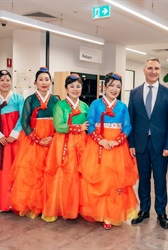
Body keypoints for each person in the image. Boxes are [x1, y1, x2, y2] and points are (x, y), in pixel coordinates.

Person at [79, 72, 138, 230]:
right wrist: (102, 141)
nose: (115, 89)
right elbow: (90, 125)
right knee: (99, 180)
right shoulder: (96, 104)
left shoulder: (122, 106)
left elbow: (127, 127)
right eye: (111, 85)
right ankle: (99, 212)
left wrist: (116, 141)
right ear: (104, 87)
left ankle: (111, 214)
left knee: (115, 182)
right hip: (98, 146)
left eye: (118, 87)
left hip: (117, 148)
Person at [128, 58, 168, 229]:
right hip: (141, 144)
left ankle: (161, 212)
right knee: (143, 180)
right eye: (150, 68)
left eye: (156, 68)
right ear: (144, 70)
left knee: (160, 179)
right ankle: (144, 210)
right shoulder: (134, 93)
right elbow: (131, 120)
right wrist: (131, 143)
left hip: (160, 145)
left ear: (160, 71)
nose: (153, 71)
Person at [10, 67, 59, 218]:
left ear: (51, 82)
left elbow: (60, 122)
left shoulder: (56, 100)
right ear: (35, 82)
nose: (44, 82)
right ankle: (33, 204)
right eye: (41, 79)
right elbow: (24, 122)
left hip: (52, 139)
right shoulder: (30, 100)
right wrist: (37, 138)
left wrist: (52, 137)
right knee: (32, 172)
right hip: (33, 140)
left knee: (51, 172)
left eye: (47, 79)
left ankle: (49, 205)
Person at [42, 74, 89, 222]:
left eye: (78, 86)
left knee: (79, 174)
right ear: (66, 88)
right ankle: (64, 207)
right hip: (64, 143)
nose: (75, 89)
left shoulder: (84, 106)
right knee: (64, 174)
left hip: (82, 142)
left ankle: (78, 207)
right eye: (72, 86)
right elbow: (59, 126)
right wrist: (78, 128)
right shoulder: (60, 105)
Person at [0, 70, 24, 212]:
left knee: (16, 168)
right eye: (1, 80)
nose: (5, 83)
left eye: (7, 80)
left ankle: (16, 202)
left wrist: (14, 134)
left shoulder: (19, 99)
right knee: (1, 170)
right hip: (0, 141)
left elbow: (22, 118)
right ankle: (2, 201)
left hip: (15, 140)